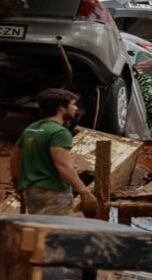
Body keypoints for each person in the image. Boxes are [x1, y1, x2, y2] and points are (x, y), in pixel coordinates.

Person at [10, 88, 97, 216]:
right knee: (55, 232)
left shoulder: (31, 129)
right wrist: (84, 191)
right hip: (53, 192)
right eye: (73, 104)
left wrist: (18, 184)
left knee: (40, 230)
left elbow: (15, 157)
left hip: (32, 192)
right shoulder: (59, 132)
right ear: (61, 108)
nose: (76, 108)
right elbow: (62, 165)